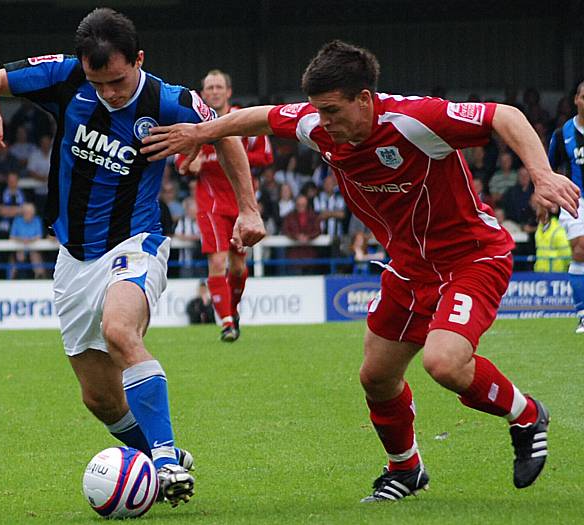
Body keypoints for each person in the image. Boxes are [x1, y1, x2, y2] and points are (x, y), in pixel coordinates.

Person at [142, 40, 580, 500]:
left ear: (365, 99)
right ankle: (406, 469)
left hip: (471, 257)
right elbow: (260, 116)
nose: (323, 123)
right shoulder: (319, 124)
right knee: (376, 376)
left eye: (332, 111)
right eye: (318, 111)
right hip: (409, 269)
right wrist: (199, 133)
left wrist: (542, 173)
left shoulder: (414, 120)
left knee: (443, 362)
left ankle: (527, 414)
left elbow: (503, 115)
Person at [0, 7, 265, 507]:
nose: (108, 92)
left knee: (120, 331)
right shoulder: (64, 74)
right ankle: (156, 457)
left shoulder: (167, 100)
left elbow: (228, 131)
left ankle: (166, 461)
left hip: (136, 241)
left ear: (139, 60)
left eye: (118, 81)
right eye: (97, 82)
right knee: (100, 399)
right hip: (73, 257)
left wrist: (249, 209)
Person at [177, 69, 273, 341]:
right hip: (210, 204)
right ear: (203, 93)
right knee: (217, 261)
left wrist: (227, 157)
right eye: (210, 87)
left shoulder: (244, 120)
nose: (215, 91)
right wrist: (190, 164)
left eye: (219, 86)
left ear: (228, 92)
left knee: (239, 268)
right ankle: (227, 322)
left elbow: (265, 155)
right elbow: (181, 161)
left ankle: (234, 309)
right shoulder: (194, 124)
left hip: (242, 202)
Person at [548, 80, 584, 334]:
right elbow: (549, 169)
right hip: (576, 199)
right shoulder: (563, 134)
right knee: (580, 250)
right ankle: (583, 313)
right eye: (583, 96)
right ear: (576, 100)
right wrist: (546, 199)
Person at [9, 202, 46, 279]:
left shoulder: (37, 220)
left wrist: (29, 240)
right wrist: (22, 240)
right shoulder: (17, 220)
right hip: (19, 247)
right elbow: (12, 237)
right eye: (26, 212)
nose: (28, 214)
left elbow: (39, 236)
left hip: (33, 248)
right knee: (19, 256)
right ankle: (12, 279)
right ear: (23, 213)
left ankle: (39, 278)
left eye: (30, 213)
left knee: (35, 255)